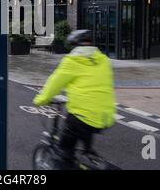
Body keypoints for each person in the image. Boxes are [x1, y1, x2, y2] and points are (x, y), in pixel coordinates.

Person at [33, 30, 116, 169]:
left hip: (82, 115)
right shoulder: (104, 60)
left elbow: (54, 83)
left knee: (64, 152)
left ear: (74, 46)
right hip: (105, 115)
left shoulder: (72, 61)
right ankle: (89, 154)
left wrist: (40, 100)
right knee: (85, 132)